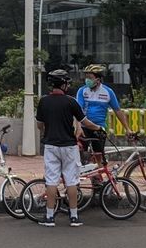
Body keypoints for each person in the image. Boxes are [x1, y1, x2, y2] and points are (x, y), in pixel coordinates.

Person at [37, 69, 104, 227]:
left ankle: (49, 217)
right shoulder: (71, 101)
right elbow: (85, 122)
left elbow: (40, 124)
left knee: (52, 181)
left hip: (51, 145)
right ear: (63, 84)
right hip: (69, 146)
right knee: (71, 181)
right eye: (66, 83)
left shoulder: (43, 101)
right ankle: (74, 217)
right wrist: (99, 128)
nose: (68, 85)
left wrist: (46, 132)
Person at [74, 64, 130, 162]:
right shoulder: (82, 91)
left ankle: (97, 176)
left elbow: (117, 111)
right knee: (79, 154)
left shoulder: (108, 92)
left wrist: (127, 129)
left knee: (98, 156)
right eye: (86, 77)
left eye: (90, 78)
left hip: (99, 128)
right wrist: (78, 128)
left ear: (98, 79)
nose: (87, 80)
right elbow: (78, 110)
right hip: (84, 127)